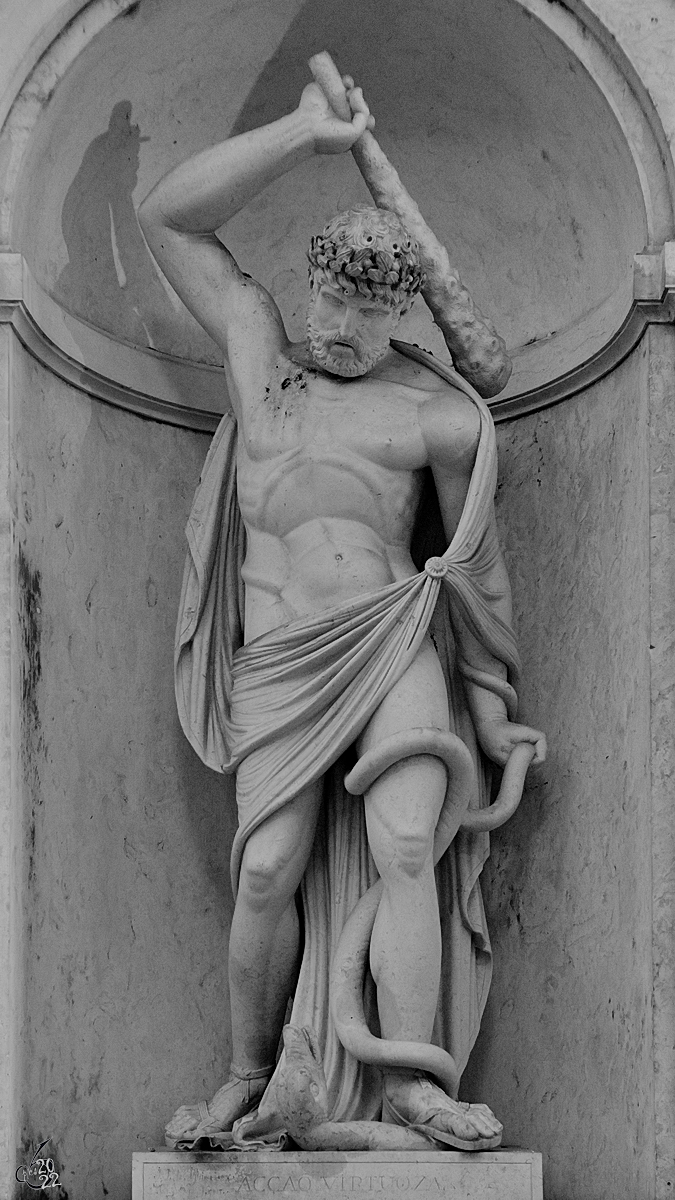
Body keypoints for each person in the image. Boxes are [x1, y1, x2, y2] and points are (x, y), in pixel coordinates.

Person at [138, 68, 546, 1151]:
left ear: (402, 311)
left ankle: (412, 1078)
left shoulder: (433, 420)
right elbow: (166, 216)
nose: (339, 330)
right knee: (266, 869)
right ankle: (246, 1072)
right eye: (328, 302)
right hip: (279, 658)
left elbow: (470, 569)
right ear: (308, 284)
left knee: (408, 842)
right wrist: (303, 133)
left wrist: (490, 697)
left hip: (393, 638)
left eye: (366, 315)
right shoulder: (259, 352)